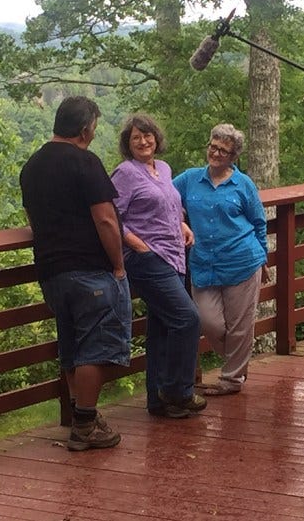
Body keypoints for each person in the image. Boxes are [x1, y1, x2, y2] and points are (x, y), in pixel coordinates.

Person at [19, 96, 132, 452]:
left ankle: (83, 414)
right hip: (89, 270)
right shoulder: (85, 162)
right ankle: (84, 424)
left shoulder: (32, 166)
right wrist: (117, 264)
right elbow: (105, 219)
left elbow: (32, 220)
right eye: (94, 128)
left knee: (72, 346)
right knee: (96, 350)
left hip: (52, 272)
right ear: (85, 130)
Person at [110, 114, 205, 419]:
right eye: (136, 137)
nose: (143, 141)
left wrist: (182, 224)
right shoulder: (124, 173)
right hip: (147, 259)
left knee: (163, 328)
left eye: (147, 135)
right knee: (187, 319)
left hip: (174, 254)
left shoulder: (163, 168)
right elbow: (113, 218)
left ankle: (158, 400)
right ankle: (179, 391)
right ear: (128, 143)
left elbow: (168, 205)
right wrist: (137, 245)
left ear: (156, 138)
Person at [173, 124, 269, 396]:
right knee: (208, 321)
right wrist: (179, 220)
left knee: (240, 325)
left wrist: (264, 258)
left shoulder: (244, 184)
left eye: (223, 151)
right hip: (204, 262)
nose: (215, 153)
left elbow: (258, 222)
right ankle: (239, 360)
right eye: (212, 147)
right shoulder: (190, 179)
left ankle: (232, 379)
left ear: (233, 156)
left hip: (243, 260)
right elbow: (163, 198)